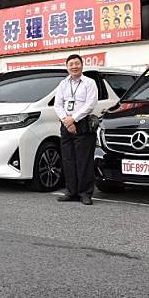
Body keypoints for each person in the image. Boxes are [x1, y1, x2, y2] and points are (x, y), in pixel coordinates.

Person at [53, 54, 98, 205]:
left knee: (83, 160)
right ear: (67, 67)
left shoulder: (89, 82)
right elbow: (57, 104)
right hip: (66, 124)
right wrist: (66, 120)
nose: (74, 66)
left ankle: (85, 193)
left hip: (83, 123)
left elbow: (90, 104)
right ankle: (71, 191)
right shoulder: (63, 84)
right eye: (71, 64)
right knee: (68, 159)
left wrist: (74, 119)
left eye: (76, 63)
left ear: (82, 65)